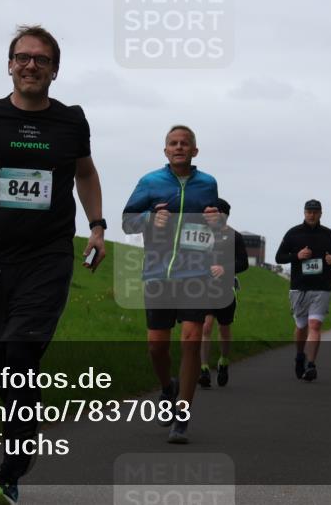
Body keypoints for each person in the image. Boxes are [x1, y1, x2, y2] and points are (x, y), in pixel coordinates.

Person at [0, 25, 106, 505]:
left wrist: (96, 226)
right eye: (22, 57)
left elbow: (86, 173)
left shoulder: (71, 121)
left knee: (19, 351)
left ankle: (9, 471)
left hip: (49, 257)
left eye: (41, 59)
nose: (31, 65)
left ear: (55, 70)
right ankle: (24, 432)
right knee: (4, 362)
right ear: (10, 64)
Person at [122, 125, 221, 444]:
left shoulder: (208, 184)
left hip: (195, 274)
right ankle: (167, 388)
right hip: (158, 274)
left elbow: (215, 225)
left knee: (191, 340)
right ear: (165, 150)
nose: (179, 147)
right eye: (173, 143)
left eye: (185, 144)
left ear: (195, 151)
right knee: (157, 346)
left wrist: (215, 222)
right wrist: (151, 219)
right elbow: (127, 220)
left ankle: (182, 416)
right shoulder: (150, 182)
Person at [275, 199, 331, 382]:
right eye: (308, 212)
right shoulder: (293, 233)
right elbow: (279, 257)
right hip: (299, 287)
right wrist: (297, 256)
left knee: (314, 325)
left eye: (315, 212)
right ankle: (299, 355)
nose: (311, 215)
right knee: (301, 326)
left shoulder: (329, 234)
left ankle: (311, 364)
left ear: (321, 213)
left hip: (321, 287)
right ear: (304, 213)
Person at [199, 198, 249, 388]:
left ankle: (223, 361)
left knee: (224, 328)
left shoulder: (235, 237)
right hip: (204, 288)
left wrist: (225, 269)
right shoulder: (201, 234)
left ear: (224, 215)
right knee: (205, 326)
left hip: (225, 289)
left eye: (215, 213)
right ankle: (203, 368)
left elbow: (243, 263)